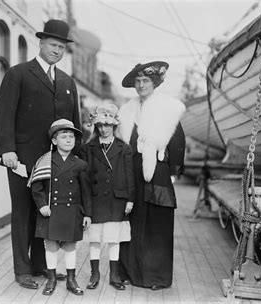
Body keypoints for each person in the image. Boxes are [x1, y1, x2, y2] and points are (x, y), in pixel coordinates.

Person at [0, 19, 80, 289]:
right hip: (22, 161)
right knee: (23, 213)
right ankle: (22, 270)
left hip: (55, 162)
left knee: (47, 213)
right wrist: (7, 150)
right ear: (40, 43)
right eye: (53, 45)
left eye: (61, 47)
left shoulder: (66, 81)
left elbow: (74, 123)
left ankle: (41, 264)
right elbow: (3, 116)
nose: (57, 51)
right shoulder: (18, 74)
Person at [115, 61, 186, 290]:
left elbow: (178, 141)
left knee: (157, 223)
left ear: (154, 83)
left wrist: (173, 171)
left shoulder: (167, 108)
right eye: (137, 81)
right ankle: (130, 273)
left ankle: (156, 276)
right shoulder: (127, 111)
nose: (141, 85)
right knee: (132, 221)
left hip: (158, 171)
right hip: (132, 171)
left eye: (145, 81)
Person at [28, 119, 92, 296]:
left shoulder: (80, 164)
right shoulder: (45, 162)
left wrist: (87, 214)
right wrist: (41, 205)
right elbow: (37, 187)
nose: (69, 140)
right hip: (51, 211)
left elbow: (86, 192)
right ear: (54, 141)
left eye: (71, 136)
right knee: (51, 246)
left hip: (72, 211)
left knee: (71, 246)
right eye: (64, 137)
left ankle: (71, 280)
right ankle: (51, 279)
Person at [79, 103, 135, 291]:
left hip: (116, 199)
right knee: (95, 239)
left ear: (114, 126)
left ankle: (115, 275)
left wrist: (130, 199)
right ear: (96, 126)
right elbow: (85, 179)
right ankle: (95, 274)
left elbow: (129, 176)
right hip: (95, 200)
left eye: (108, 125)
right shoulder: (88, 148)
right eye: (100, 125)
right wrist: (86, 206)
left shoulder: (124, 148)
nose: (104, 129)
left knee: (113, 239)